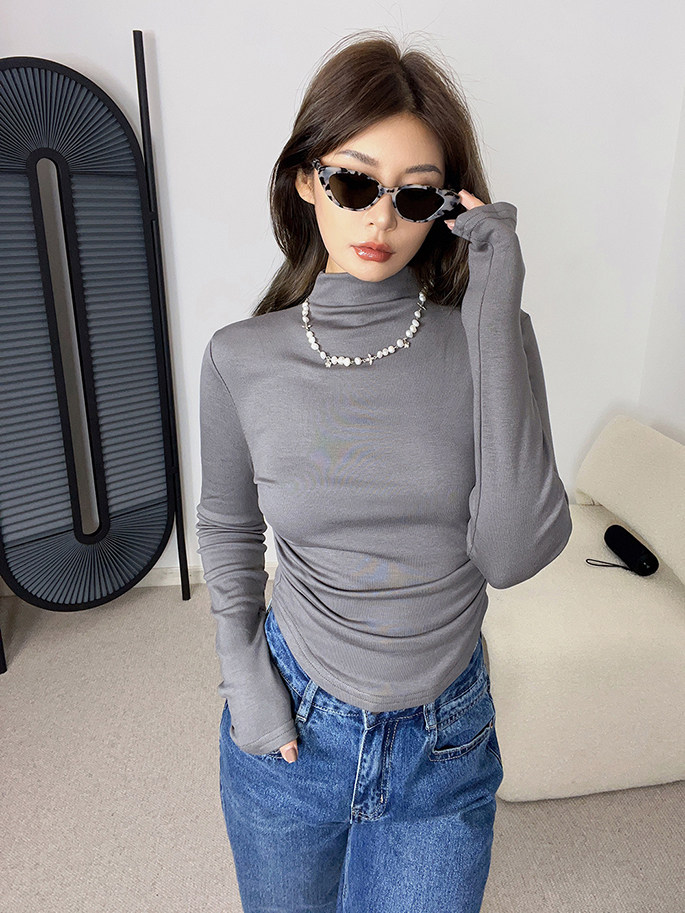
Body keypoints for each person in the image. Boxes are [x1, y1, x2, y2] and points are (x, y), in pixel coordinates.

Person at [196, 28, 572, 913]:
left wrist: (494, 304)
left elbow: (511, 553)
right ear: (306, 180)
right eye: (355, 183)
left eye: (414, 196)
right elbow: (226, 525)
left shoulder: (488, 341)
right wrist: (243, 676)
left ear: (446, 207)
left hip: (445, 736)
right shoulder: (239, 358)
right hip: (294, 718)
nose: (379, 220)